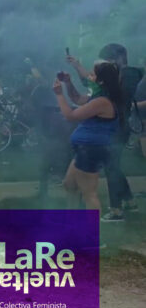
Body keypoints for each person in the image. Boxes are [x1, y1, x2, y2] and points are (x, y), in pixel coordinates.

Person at [68, 44, 140, 221]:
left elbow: (97, 83)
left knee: (112, 167)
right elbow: (91, 81)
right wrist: (77, 66)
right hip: (114, 125)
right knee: (112, 165)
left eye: (107, 60)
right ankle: (129, 200)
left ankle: (116, 209)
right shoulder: (112, 76)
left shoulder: (128, 74)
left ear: (119, 58)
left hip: (117, 127)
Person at [54, 61, 123, 213]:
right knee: (70, 185)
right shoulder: (98, 97)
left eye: (92, 74)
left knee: (89, 194)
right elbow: (77, 99)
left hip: (91, 149)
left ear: (101, 80)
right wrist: (68, 83)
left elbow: (70, 115)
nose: (89, 76)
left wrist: (59, 95)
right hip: (85, 149)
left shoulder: (102, 101)